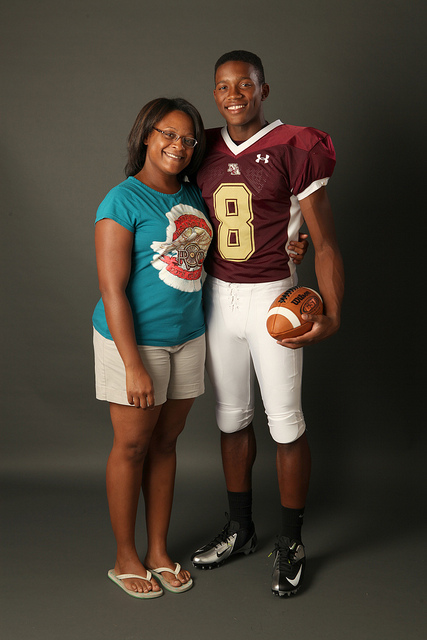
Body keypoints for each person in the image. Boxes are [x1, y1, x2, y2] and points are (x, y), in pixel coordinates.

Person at [191, 50, 345, 597]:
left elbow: (323, 240)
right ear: (214, 93)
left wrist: (332, 309)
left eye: (245, 85)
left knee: (285, 423)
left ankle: (293, 540)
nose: (234, 94)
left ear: (264, 90)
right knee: (231, 419)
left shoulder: (295, 145)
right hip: (217, 297)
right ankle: (241, 528)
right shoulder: (200, 146)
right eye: (223, 86)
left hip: (272, 296)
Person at [92, 97, 213, 598]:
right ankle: (126, 557)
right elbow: (112, 289)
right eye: (169, 133)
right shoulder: (121, 200)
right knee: (134, 446)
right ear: (146, 134)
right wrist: (133, 365)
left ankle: (159, 550)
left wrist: (292, 246)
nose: (178, 146)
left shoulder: (194, 195)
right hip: (133, 344)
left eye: (188, 139)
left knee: (166, 444)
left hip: (188, 338)